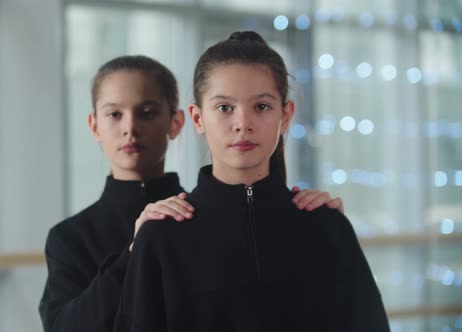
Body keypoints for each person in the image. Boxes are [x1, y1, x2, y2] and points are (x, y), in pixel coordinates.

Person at [38, 55, 344, 332]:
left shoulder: (207, 220)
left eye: (147, 113)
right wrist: (135, 253)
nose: (130, 128)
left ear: (177, 122)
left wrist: (318, 232)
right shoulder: (70, 237)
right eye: (114, 115)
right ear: (94, 126)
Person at [114, 32, 389, 332]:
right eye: (224, 108)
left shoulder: (327, 228)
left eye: (261, 107)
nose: (242, 123)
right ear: (197, 118)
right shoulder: (161, 237)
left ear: (285, 116)